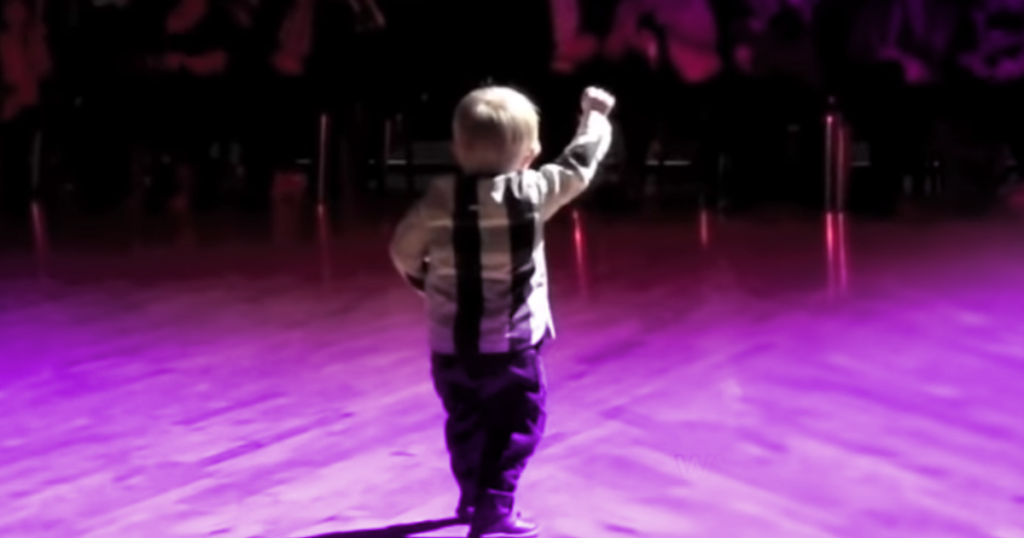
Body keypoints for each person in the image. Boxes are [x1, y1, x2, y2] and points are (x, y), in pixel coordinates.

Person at [389, 86, 614, 538]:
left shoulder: (437, 202)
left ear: (457, 148)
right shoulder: (533, 192)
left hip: (450, 346)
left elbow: (402, 250)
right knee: (517, 424)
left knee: (466, 421)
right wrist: (594, 115)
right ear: (530, 154)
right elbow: (580, 165)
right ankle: (494, 507)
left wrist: (422, 280)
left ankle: (473, 494)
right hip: (512, 347)